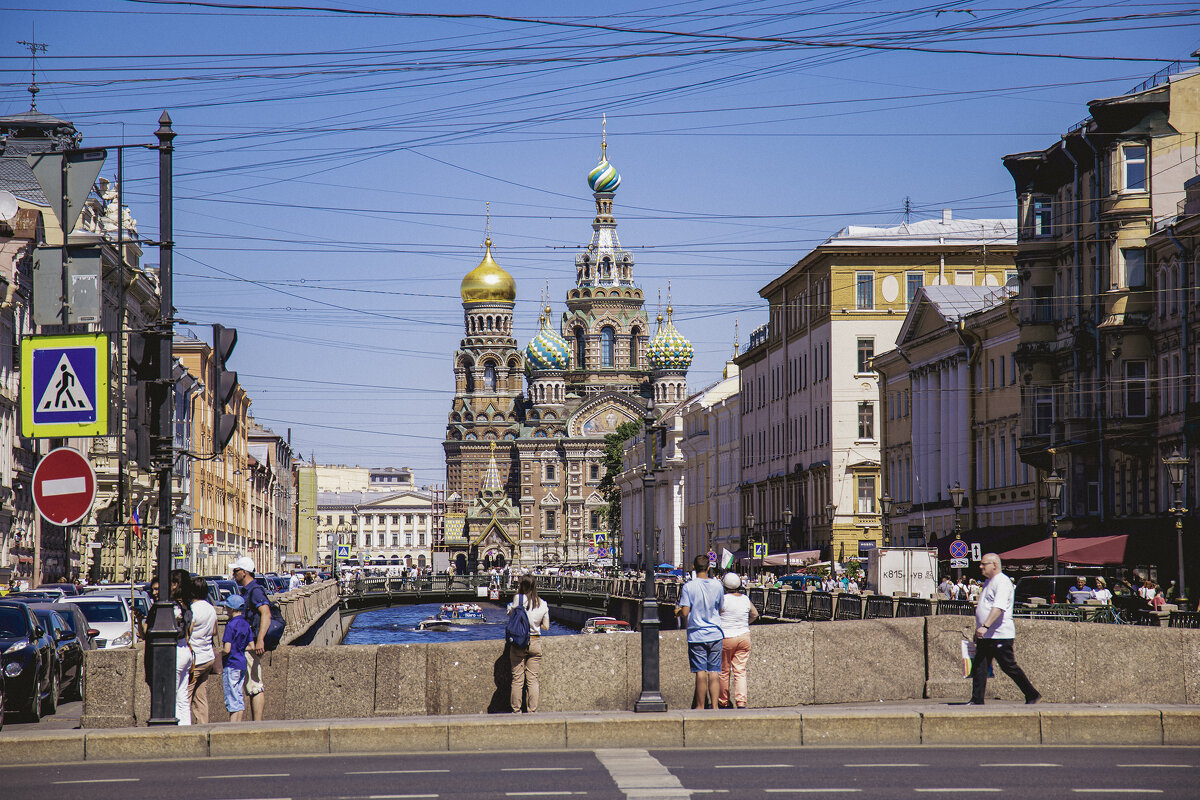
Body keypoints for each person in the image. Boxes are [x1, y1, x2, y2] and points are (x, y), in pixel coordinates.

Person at [971, 553, 1040, 706]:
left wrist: (985, 626)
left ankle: (1032, 693)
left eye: (984, 564)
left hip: (1000, 634)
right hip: (987, 634)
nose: (980, 566)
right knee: (979, 666)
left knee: (1008, 666)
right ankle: (976, 700)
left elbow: (998, 608)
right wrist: (979, 630)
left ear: (994, 565)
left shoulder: (1002, 582)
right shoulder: (989, 581)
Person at [675, 554, 725, 710]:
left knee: (700, 672)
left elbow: (685, 612)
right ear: (709, 568)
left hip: (696, 635)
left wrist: (677, 612)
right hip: (715, 634)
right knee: (714, 671)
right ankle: (715, 706)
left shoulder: (689, 587)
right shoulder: (718, 585)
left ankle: (700, 706)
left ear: (693, 568)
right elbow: (720, 607)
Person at [231, 556, 270, 721]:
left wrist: (260, 639)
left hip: (251, 644)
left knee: (255, 685)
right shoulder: (247, 590)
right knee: (249, 685)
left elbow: (266, 613)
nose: (233, 574)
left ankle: (257, 724)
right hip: (244, 644)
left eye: (236, 571)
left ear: (244, 572)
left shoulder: (255, 590)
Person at [507, 574, 550, 713]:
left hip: (519, 642)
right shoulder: (542, 603)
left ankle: (516, 711)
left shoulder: (518, 599)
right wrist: (535, 624)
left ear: (522, 585)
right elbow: (546, 626)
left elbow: (511, 615)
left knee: (518, 680)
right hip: (535, 641)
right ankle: (532, 711)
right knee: (532, 680)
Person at [717, 572, 758, 709]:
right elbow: (755, 614)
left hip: (726, 637)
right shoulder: (745, 599)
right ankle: (741, 702)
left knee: (724, 671)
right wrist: (745, 623)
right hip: (744, 636)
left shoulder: (723, 599)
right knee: (740, 671)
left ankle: (723, 701)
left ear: (724, 586)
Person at [187, 576, 218, 724]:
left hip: (195, 659)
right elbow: (214, 632)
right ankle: (203, 726)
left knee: (184, 696)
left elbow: (188, 633)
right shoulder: (211, 608)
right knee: (201, 697)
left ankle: (182, 727)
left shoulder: (193, 610)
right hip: (208, 657)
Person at [220, 594, 253, 722]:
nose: (226, 610)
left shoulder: (231, 625)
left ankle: (232, 728)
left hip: (231, 664)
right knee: (238, 697)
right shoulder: (246, 624)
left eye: (227, 608)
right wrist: (240, 648)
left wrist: (219, 653)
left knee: (232, 700)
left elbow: (226, 649)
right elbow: (252, 646)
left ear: (232, 609)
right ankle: (239, 726)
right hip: (242, 664)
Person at [169, 569, 195, 725]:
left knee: (173, 695)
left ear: (175, 584)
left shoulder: (173, 606)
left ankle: (176, 729)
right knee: (183, 696)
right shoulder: (187, 604)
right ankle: (186, 728)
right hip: (186, 650)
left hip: (177, 651)